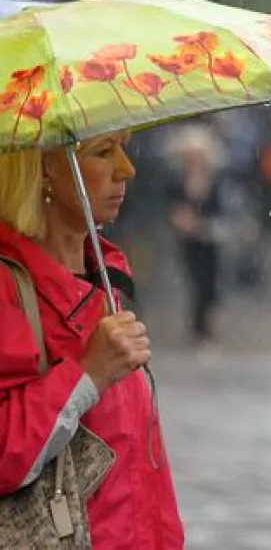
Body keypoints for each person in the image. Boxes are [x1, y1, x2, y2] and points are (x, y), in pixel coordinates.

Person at [0, 130, 184, 548]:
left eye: (124, 146)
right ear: (44, 166)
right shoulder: (8, 287)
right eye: (103, 152)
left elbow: (143, 467)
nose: (127, 168)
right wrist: (87, 374)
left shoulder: (105, 278)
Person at [166, 125, 228, 346]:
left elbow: (221, 212)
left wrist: (201, 224)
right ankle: (198, 328)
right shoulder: (178, 181)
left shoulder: (215, 182)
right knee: (196, 281)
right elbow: (173, 209)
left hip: (210, 240)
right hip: (189, 242)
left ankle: (207, 328)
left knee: (209, 283)